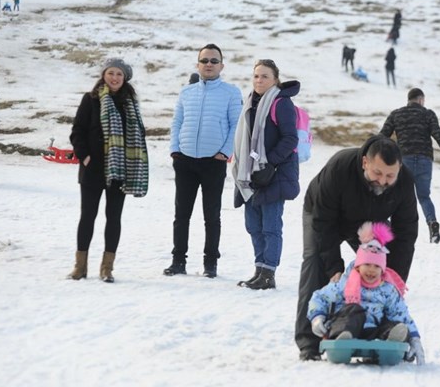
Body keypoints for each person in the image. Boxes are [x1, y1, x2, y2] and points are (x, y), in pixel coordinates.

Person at [295, 135, 420, 361]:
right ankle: (310, 343)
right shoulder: (340, 167)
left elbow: (406, 234)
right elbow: (323, 222)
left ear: (399, 169)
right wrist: (333, 266)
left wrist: (393, 280)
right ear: (365, 163)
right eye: (377, 173)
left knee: (381, 277)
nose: (383, 181)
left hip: (368, 224)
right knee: (315, 263)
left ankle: (385, 335)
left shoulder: (403, 182)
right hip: (323, 216)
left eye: (390, 175)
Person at [67, 58, 149, 283]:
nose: (114, 78)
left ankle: (107, 268)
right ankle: (80, 266)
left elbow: (138, 135)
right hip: (93, 170)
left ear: (125, 78)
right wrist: (84, 157)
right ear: (104, 75)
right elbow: (77, 132)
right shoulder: (91, 99)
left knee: (113, 218)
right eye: (111, 73)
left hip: (120, 170)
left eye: (119, 74)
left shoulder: (130, 103)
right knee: (88, 217)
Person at [165, 44, 243, 278]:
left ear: (221, 65)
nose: (209, 64)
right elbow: (177, 122)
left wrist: (224, 152)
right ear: (198, 64)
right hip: (185, 161)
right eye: (205, 60)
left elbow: (236, 125)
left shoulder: (230, 92)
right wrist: (175, 150)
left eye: (213, 61)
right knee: (182, 214)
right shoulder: (186, 92)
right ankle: (178, 261)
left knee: (212, 214)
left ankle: (211, 263)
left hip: (213, 162)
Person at [308, 222, 424, 364]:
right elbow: (320, 297)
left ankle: (391, 340)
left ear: (382, 270)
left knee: (391, 323)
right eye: (367, 264)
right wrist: (317, 318)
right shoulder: (345, 283)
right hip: (347, 327)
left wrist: (414, 337)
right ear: (358, 265)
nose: (371, 270)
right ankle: (342, 339)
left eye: (376, 266)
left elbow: (401, 314)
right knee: (354, 310)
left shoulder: (388, 289)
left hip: (374, 331)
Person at [232, 59, 301, 290]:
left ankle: (269, 274)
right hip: (251, 174)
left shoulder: (281, 103)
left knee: (271, 226)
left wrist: (269, 162)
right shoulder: (250, 102)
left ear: (275, 80)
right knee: (253, 225)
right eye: (256, 76)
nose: (259, 80)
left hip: (274, 173)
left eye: (265, 76)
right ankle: (259, 269)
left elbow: (291, 138)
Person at [380, 88, 440, 242]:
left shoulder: (396, 114)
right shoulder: (427, 114)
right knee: (424, 196)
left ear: (408, 99)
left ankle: (388, 226)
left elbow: (382, 136)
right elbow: (439, 136)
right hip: (424, 161)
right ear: (421, 100)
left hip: (404, 161)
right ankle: (432, 224)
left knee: (397, 194)